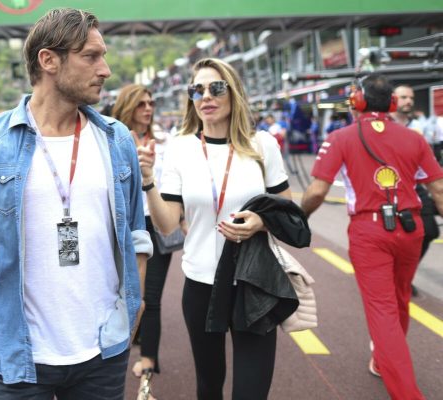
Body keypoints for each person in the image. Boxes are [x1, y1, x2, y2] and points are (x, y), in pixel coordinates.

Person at [0, 8, 152, 399]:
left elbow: (136, 233)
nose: (105, 70)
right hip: (16, 351)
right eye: (91, 56)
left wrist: (136, 303)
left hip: (104, 348)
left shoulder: (117, 140)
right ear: (49, 60)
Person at [138, 58, 291, 399]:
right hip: (201, 285)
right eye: (197, 90)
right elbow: (166, 227)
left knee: (251, 392)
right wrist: (148, 182)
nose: (205, 95)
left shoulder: (262, 144)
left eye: (216, 87)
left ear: (233, 92)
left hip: (254, 283)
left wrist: (261, 220)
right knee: (209, 386)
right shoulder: (180, 147)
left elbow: (289, 212)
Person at [301, 74, 443, 400]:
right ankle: (382, 361)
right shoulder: (414, 138)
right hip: (411, 229)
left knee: (382, 312)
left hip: (369, 231)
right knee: (400, 297)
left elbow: (317, 191)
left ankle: (407, 394)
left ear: (356, 102)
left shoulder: (340, 138)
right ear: (392, 103)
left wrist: (301, 216)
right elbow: (438, 188)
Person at [111, 84, 179, 400]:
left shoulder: (166, 142)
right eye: (140, 104)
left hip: (154, 224)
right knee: (115, 291)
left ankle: (148, 359)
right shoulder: (111, 140)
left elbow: (173, 189)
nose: (148, 109)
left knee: (150, 296)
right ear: (127, 106)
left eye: (151, 103)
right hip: (119, 227)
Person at [390, 84, 441, 297]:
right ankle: (391, 276)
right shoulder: (382, 125)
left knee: (430, 230)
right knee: (391, 237)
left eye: (410, 97)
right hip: (389, 189)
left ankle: (403, 275)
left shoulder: (419, 126)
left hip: (417, 186)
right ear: (393, 100)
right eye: (403, 97)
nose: (409, 101)